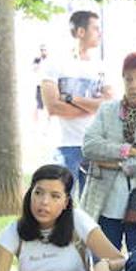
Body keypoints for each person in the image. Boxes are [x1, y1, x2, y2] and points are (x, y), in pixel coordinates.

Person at [79, 51, 136, 252]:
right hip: (105, 202)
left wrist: (120, 165)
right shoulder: (107, 110)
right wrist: (127, 150)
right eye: (128, 79)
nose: (133, 85)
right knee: (103, 259)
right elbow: (89, 146)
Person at [40, 10, 111, 187]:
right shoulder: (54, 63)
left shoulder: (101, 67)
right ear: (80, 32)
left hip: (94, 146)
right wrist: (93, 107)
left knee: (92, 202)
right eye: (95, 28)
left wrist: (71, 98)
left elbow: (109, 105)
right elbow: (53, 107)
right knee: (62, 198)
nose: (100, 33)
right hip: (63, 145)